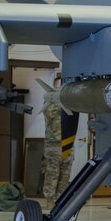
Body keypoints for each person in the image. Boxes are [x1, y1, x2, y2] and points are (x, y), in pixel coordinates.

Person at [41, 75, 73, 206]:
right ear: (55, 87)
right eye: (60, 86)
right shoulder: (50, 102)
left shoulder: (69, 101)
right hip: (53, 144)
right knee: (52, 173)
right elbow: (50, 115)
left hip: (68, 143)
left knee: (65, 174)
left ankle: (61, 200)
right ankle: (50, 199)